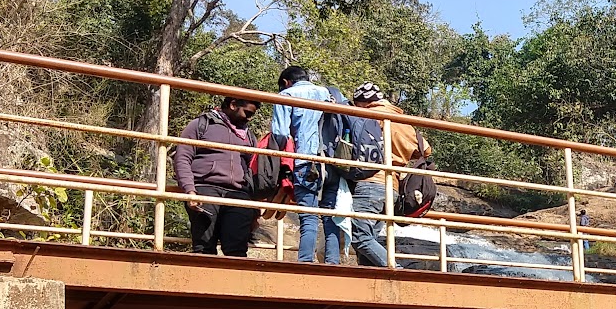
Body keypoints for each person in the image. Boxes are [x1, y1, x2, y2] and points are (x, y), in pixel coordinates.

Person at [343, 82, 432, 267]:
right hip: (392, 189)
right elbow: (426, 150)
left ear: (362, 102)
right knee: (370, 237)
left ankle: (396, 269)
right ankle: (370, 280)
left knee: (358, 236)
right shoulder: (405, 123)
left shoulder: (369, 116)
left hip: (370, 182)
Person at [271, 65, 348, 265]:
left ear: (286, 82)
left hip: (306, 162)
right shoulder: (327, 93)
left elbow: (280, 133)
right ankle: (332, 262)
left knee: (309, 217)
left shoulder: (287, 95)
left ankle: (305, 261)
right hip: (332, 163)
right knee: (330, 217)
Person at [174, 96, 262, 257]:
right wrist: (190, 191)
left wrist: (255, 209)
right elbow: (182, 158)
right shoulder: (201, 125)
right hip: (205, 190)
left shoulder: (249, 135)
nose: (250, 118)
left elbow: (252, 171)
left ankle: (233, 282)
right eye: (247, 113)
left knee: (237, 251)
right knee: (204, 248)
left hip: (239, 194)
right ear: (233, 104)